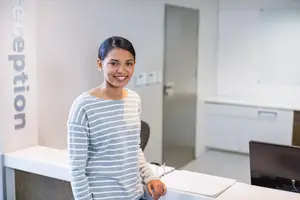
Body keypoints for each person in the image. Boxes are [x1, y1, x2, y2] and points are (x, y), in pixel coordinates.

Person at [67, 36, 167, 200]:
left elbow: (134, 149)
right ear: (100, 64)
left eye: (128, 63)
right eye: (114, 63)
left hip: (136, 195)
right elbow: (76, 169)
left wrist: (150, 177)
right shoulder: (83, 106)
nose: (122, 70)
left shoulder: (134, 99)